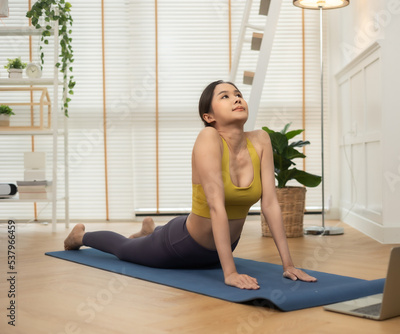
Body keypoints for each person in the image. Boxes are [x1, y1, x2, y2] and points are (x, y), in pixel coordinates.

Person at [64, 80, 317, 290]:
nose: (237, 99)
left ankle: (149, 231)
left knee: (141, 242)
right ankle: (80, 236)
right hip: (182, 245)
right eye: (225, 96)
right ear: (209, 116)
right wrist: (230, 273)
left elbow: (271, 204)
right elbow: (216, 206)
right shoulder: (209, 137)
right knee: (124, 249)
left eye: (238, 94)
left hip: (221, 249)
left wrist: (289, 265)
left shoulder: (260, 140)